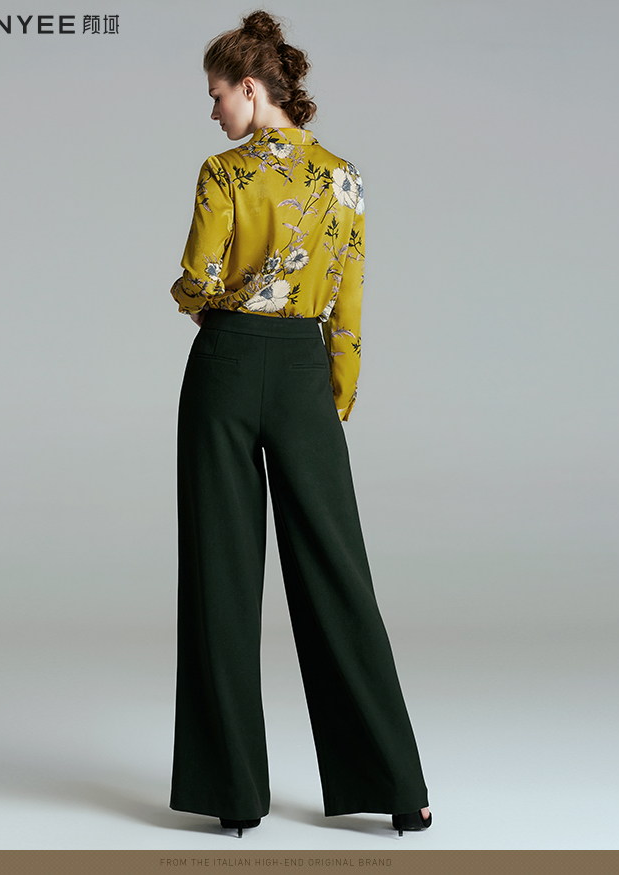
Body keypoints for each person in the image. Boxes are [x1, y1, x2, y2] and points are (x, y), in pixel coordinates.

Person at [168, 9, 432, 839]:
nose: (213, 111)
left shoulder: (223, 174)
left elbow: (198, 276)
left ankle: (233, 794)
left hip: (224, 365)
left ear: (251, 88)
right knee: (338, 574)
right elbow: (348, 302)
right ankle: (398, 788)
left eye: (217, 94)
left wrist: (191, 299)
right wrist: (333, 396)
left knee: (220, 577)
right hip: (304, 372)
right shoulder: (343, 179)